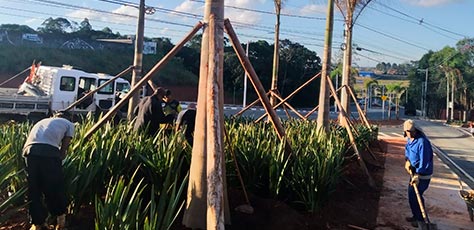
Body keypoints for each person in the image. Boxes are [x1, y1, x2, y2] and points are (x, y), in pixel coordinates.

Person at [23, 110, 75, 230]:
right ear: (69, 118)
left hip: (29, 151)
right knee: (53, 186)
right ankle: (60, 220)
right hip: (49, 152)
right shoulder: (69, 124)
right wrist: (61, 156)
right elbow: (65, 145)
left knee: (34, 188)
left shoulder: (43, 121)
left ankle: (37, 223)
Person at [403, 119, 433, 228]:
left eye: (412, 131)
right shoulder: (410, 140)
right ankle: (416, 216)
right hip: (413, 172)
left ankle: (421, 219)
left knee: (416, 195)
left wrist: (418, 175)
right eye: (408, 132)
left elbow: (424, 161)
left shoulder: (422, 142)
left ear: (415, 130)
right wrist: (407, 161)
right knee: (412, 195)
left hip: (423, 174)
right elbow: (407, 151)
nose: (410, 134)